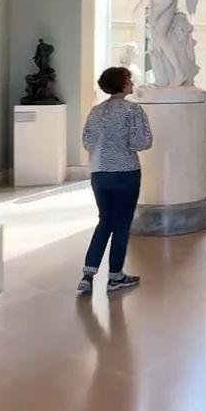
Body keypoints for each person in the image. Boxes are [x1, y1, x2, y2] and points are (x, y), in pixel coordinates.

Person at [78, 67, 152, 294]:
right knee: (121, 224)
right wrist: (124, 147)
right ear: (121, 84)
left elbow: (87, 141)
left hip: (99, 173)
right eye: (129, 80)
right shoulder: (133, 110)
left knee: (105, 221)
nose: (132, 83)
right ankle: (115, 276)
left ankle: (88, 274)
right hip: (125, 172)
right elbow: (143, 141)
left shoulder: (95, 111)